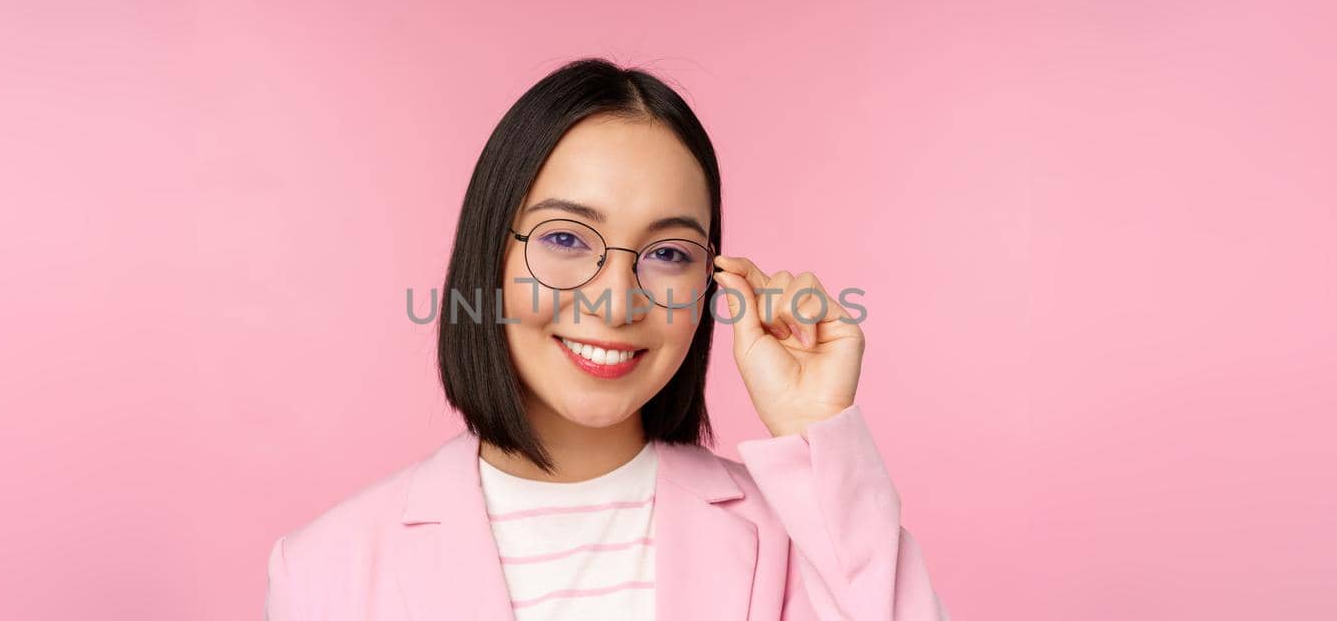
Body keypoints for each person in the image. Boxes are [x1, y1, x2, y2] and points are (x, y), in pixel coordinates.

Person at [264, 57, 949, 620]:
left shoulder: (804, 539)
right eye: (565, 238)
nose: (616, 301)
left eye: (669, 253)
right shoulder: (326, 568)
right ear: (488, 255)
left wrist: (816, 431)